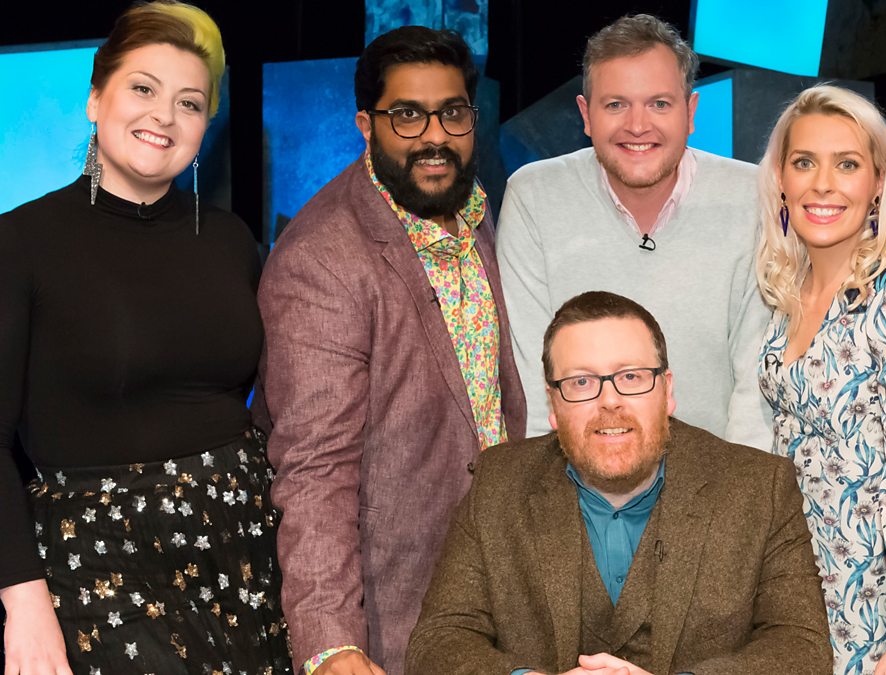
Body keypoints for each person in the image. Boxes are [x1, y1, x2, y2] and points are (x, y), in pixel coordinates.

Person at [0, 2, 292, 673]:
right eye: (142, 88)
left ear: (205, 126)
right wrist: (23, 601)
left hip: (244, 556)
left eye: (189, 103)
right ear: (95, 99)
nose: (164, 116)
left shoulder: (230, 241)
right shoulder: (20, 244)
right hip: (99, 572)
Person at [257, 25, 526, 675]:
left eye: (452, 112)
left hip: (503, 589)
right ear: (366, 125)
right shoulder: (322, 260)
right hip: (399, 610)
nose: (435, 136)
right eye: (407, 115)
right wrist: (331, 643)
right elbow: (314, 468)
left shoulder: (475, 210)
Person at [406, 290, 833, 675]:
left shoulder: (760, 487)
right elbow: (438, 641)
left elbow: (801, 647)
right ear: (553, 404)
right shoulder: (498, 484)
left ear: (667, 391)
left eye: (631, 376)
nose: (609, 401)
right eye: (581, 382)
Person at [755, 84, 886, 675]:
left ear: (878, 183)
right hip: (797, 585)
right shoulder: (788, 290)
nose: (823, 184)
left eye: (847, 164)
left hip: (877, 600)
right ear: (781, 179)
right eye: (805, 162)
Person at [496, 14, 772, 450]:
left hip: (717, 473)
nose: (638, 126)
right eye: (616, 105)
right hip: (575, 471)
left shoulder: (752, 196)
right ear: (586, 115)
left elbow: (756, 382)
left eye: (659, 104)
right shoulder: (533, 196)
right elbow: (533, 381)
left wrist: (738, 486)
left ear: (690, 112)